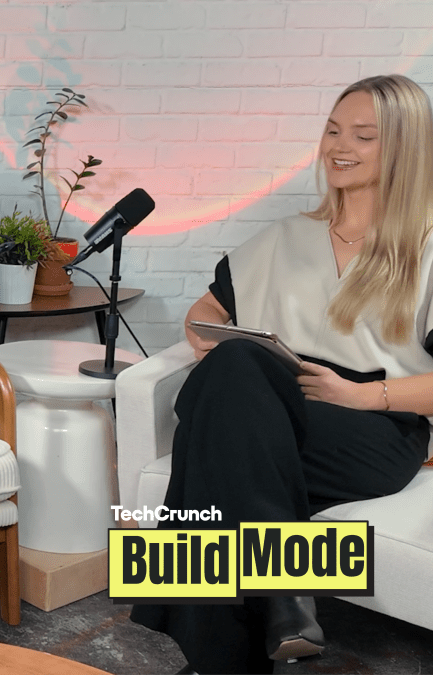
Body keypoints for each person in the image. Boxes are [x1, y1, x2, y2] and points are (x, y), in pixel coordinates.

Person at [131, 74, 433, 673]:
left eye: (363, 136)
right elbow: (204, 315)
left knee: (208, 438)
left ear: (404, 147)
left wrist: (362, 395)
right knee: (237, 367)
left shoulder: (426, 247)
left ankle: (223, 655)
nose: (339, 146)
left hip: (373, 426)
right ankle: (284, 603)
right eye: (333, 130)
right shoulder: (286, 235)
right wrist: (213, 347)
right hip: (275, 406)